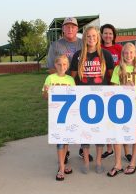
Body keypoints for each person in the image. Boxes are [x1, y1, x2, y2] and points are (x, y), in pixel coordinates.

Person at [47, 17, 93, 163]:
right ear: (63, 29)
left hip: (81, 86)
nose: (70, 29)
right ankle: (65, 152)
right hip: (63, 88)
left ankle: (82, 149)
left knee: (82, 120)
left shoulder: (83, 43)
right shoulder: (55, 45)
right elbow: (50, 67)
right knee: (64, 121)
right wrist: (62, 78)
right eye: (67, 26)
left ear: (77, 28)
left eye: (73, 26)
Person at [70, 26, 114, 174]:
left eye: (94, 35)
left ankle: (99, 161)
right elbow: (72, 78)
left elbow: (112, 77)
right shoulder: (78, 55)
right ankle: (86, 161)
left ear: (98, 37)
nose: (91, 38)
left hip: (101, 99)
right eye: (88, 36)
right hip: (83, 99)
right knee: (85, 132)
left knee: (100, 132)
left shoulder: (105, 55)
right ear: (85, 38)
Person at [107, 42, 136, 177]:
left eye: (131, 52)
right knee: (118, 135)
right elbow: (113, 88)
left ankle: (132, 163)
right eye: (125, 52)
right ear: (122, 54)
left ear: (135, 53)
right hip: (122, 106)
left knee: (135, 135)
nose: (128, 55)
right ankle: (118, 164)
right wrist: (124, 86)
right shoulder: (118, 69)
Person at [100, 24, 132, 162]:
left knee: (121, 120)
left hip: (119, 87)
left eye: (110, 33)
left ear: (114, 35)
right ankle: (109, 149)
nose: (108, 36)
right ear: (101, 35)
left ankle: (126, 151)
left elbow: (126, 63)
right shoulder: (98, 49)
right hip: (104, 86)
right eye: (105, 33)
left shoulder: (119, 48)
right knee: (107, 120)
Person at [43, 55, 75, 181]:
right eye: (59, 64)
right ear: (55, 65)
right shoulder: (50, 78)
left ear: (68, 66)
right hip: (56, 116)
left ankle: (64, 163)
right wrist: (46, 91)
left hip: (68, 115)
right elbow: (45, 97)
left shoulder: (70, 80)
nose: (62, 67)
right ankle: (61, 167)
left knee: (65, 140)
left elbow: (74, 97)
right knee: (60, 142)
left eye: (65, 64)